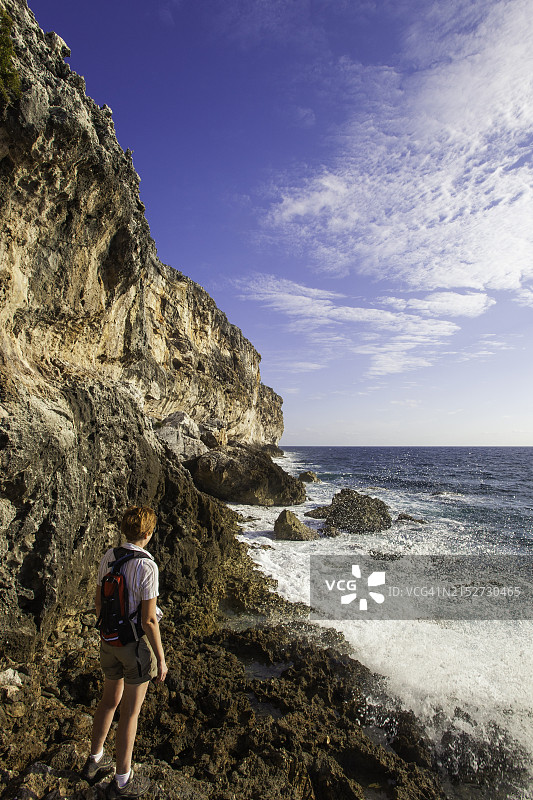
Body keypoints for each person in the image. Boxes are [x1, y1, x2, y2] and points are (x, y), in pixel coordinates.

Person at [81, 506, 168, 799]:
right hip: (134, 648)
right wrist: (161, 659)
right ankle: (122, 780)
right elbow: (149, 620)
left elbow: (98, 603)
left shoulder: (109, 556)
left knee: (108, 701)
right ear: (148, 533)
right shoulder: (147, 566)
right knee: (130, 713)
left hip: (109, 642)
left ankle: (93, 760)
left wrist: (109, 634)